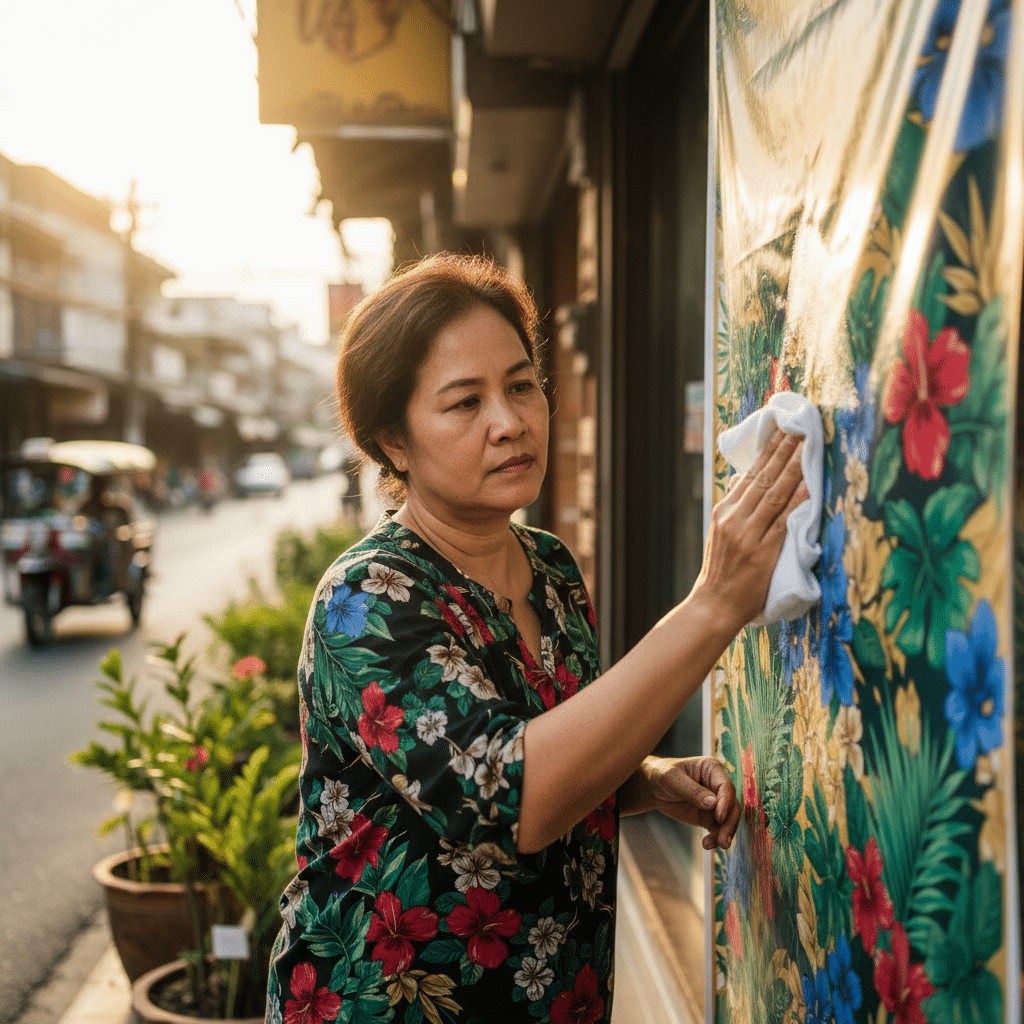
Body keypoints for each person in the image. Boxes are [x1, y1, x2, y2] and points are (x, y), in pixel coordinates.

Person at [265, 254, 807, 1023]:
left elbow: (547, 741)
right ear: (394, 442)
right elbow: (509, 797)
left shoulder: (549, 565)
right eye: (464, 403)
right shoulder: (367, 598)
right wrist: (714, 604)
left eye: (522, 386)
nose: (510, 421)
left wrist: (644, 779)